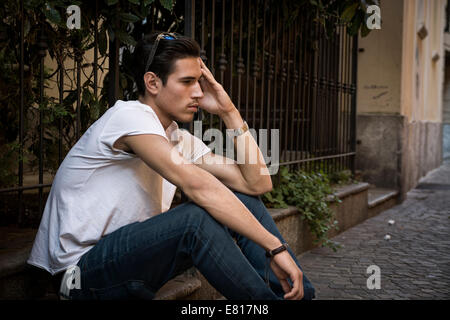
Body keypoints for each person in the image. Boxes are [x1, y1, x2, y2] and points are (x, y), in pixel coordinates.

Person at [27, 31, 315, 300]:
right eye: (187, 82)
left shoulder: (178, 139)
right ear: (152, 83)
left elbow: (257, 184)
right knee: (194, 219)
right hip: (76, 274)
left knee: (242, 199)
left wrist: (229, 111)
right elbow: (199, 186)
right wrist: (275, 246)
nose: (199, 94)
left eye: (199, 83)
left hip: (130, 263)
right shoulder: (128, 116)